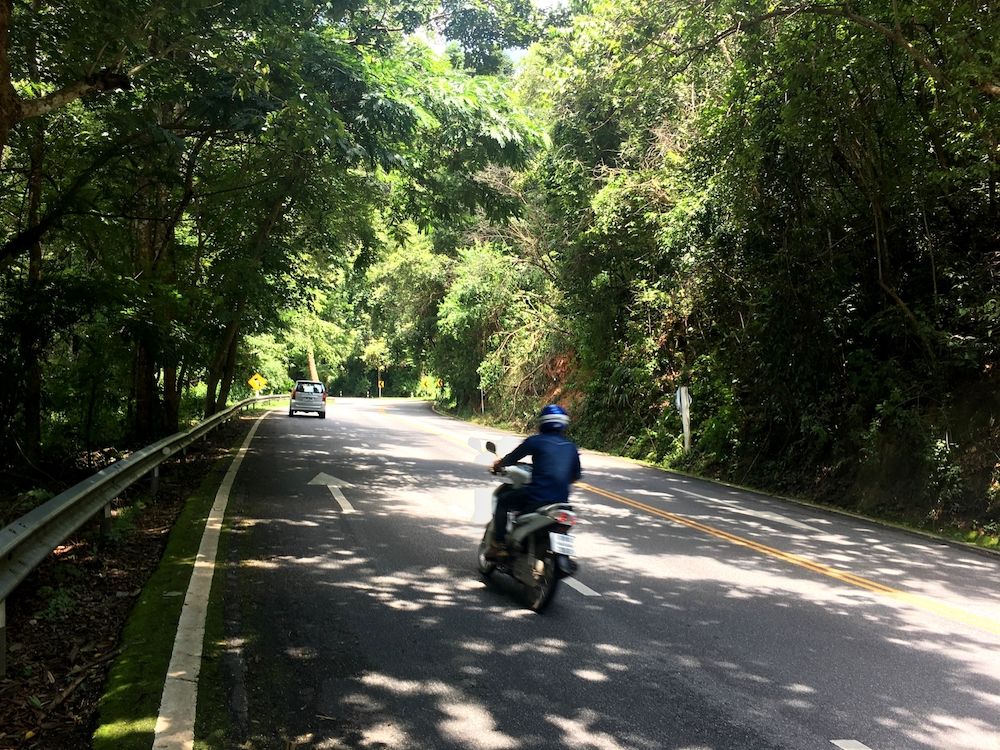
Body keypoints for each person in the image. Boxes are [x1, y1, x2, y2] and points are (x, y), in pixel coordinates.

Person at [485, 404, 582, 561]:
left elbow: (511, 458)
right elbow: (574, 477)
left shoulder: (536, 441)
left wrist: (498, 465)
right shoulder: (571, 448)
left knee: (503, 501)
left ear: (542, 422)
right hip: (561, 503)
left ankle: (499, 545)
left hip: (536, 498)